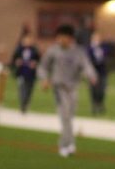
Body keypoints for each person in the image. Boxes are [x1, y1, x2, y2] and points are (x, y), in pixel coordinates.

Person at [37, 24, 97, 157]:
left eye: (63, 37)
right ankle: (65, 145)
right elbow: (43, 67)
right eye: (58, 37)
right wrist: (44, 79)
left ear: (70, 38)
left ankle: (69, 143)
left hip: (73, 88)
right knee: (65, 117)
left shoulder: (78, 51)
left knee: (70, 116)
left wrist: (91, 76)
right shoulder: (53, 51)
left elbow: (86, 65)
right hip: (59, 88)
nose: (60, 40)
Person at [11, 31, 40, 113]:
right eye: (25, 40)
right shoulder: (18, 50)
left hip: (31, 74)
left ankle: (26, 104)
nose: (27, 41)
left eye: (29, 40)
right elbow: (13, 60)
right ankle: (22, 106)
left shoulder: (35, 50)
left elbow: (39, 60)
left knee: (29, 91)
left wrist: (35, 63)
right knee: (22, 90)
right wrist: (17, 62)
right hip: (21, 73)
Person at [87, 31, 109, 115]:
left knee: (102, 89)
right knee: (94, 90)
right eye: (95, 38)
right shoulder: (89, 49)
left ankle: (100, 103)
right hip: (93, 72)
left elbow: (106, 55)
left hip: (102, 72)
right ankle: (94, 105)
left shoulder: (102, 48)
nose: (97, 40)